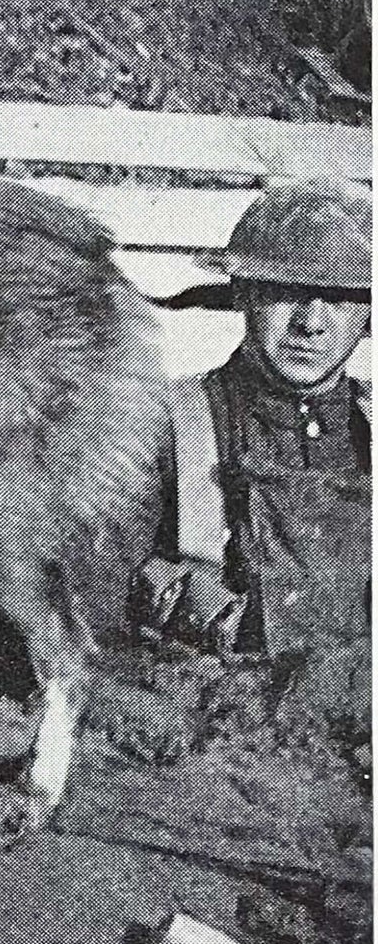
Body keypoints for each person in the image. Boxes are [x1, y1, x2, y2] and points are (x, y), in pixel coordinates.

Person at [143, 178, 369, 698]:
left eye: (338, 299)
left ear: (368, 315)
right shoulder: (172, 421)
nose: (311, 323)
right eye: (287, 293)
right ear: (245, 297)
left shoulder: (369, 427)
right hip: (221, 720)